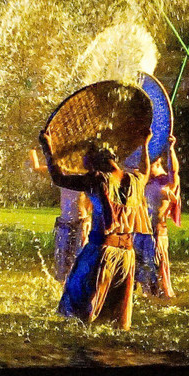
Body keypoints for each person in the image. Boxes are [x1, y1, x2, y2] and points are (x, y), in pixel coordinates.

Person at [40, 128, 151, 331]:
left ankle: (82, 353)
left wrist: (47, 148)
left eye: (86, 161)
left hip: (101, 252)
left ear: (94, 160)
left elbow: (58, 179)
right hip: (127, 256)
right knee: (114, 319)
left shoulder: (98, 179)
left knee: (79, 309)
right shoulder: (135, 180)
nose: (84, 165)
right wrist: (145, 144)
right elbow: (146, 171)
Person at [40, 145, 93, 284]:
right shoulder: (62, 174)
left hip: (81, 223)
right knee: (62, 263)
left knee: (79, 260)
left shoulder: (85, 177)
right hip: (64, 222)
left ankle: (77, 291)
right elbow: (41, 169)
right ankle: (63, 293)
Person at [142, 135, 181, 298]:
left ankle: (164, 301)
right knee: (142, 276)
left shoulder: (166, 183)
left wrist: (170, 148)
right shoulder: (145, 182)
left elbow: (174, 171)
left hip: (157, 236)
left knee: (159, 274)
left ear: (155, 163)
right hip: (142, 235)